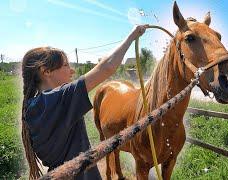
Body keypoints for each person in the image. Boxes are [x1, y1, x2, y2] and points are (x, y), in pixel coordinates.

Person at [21, 25, 147, 179]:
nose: (72, 71)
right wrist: (132, 35)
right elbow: (106, 68)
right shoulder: (60, 98)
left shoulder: (30, 107)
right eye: (66, 65)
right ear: (45, 71)